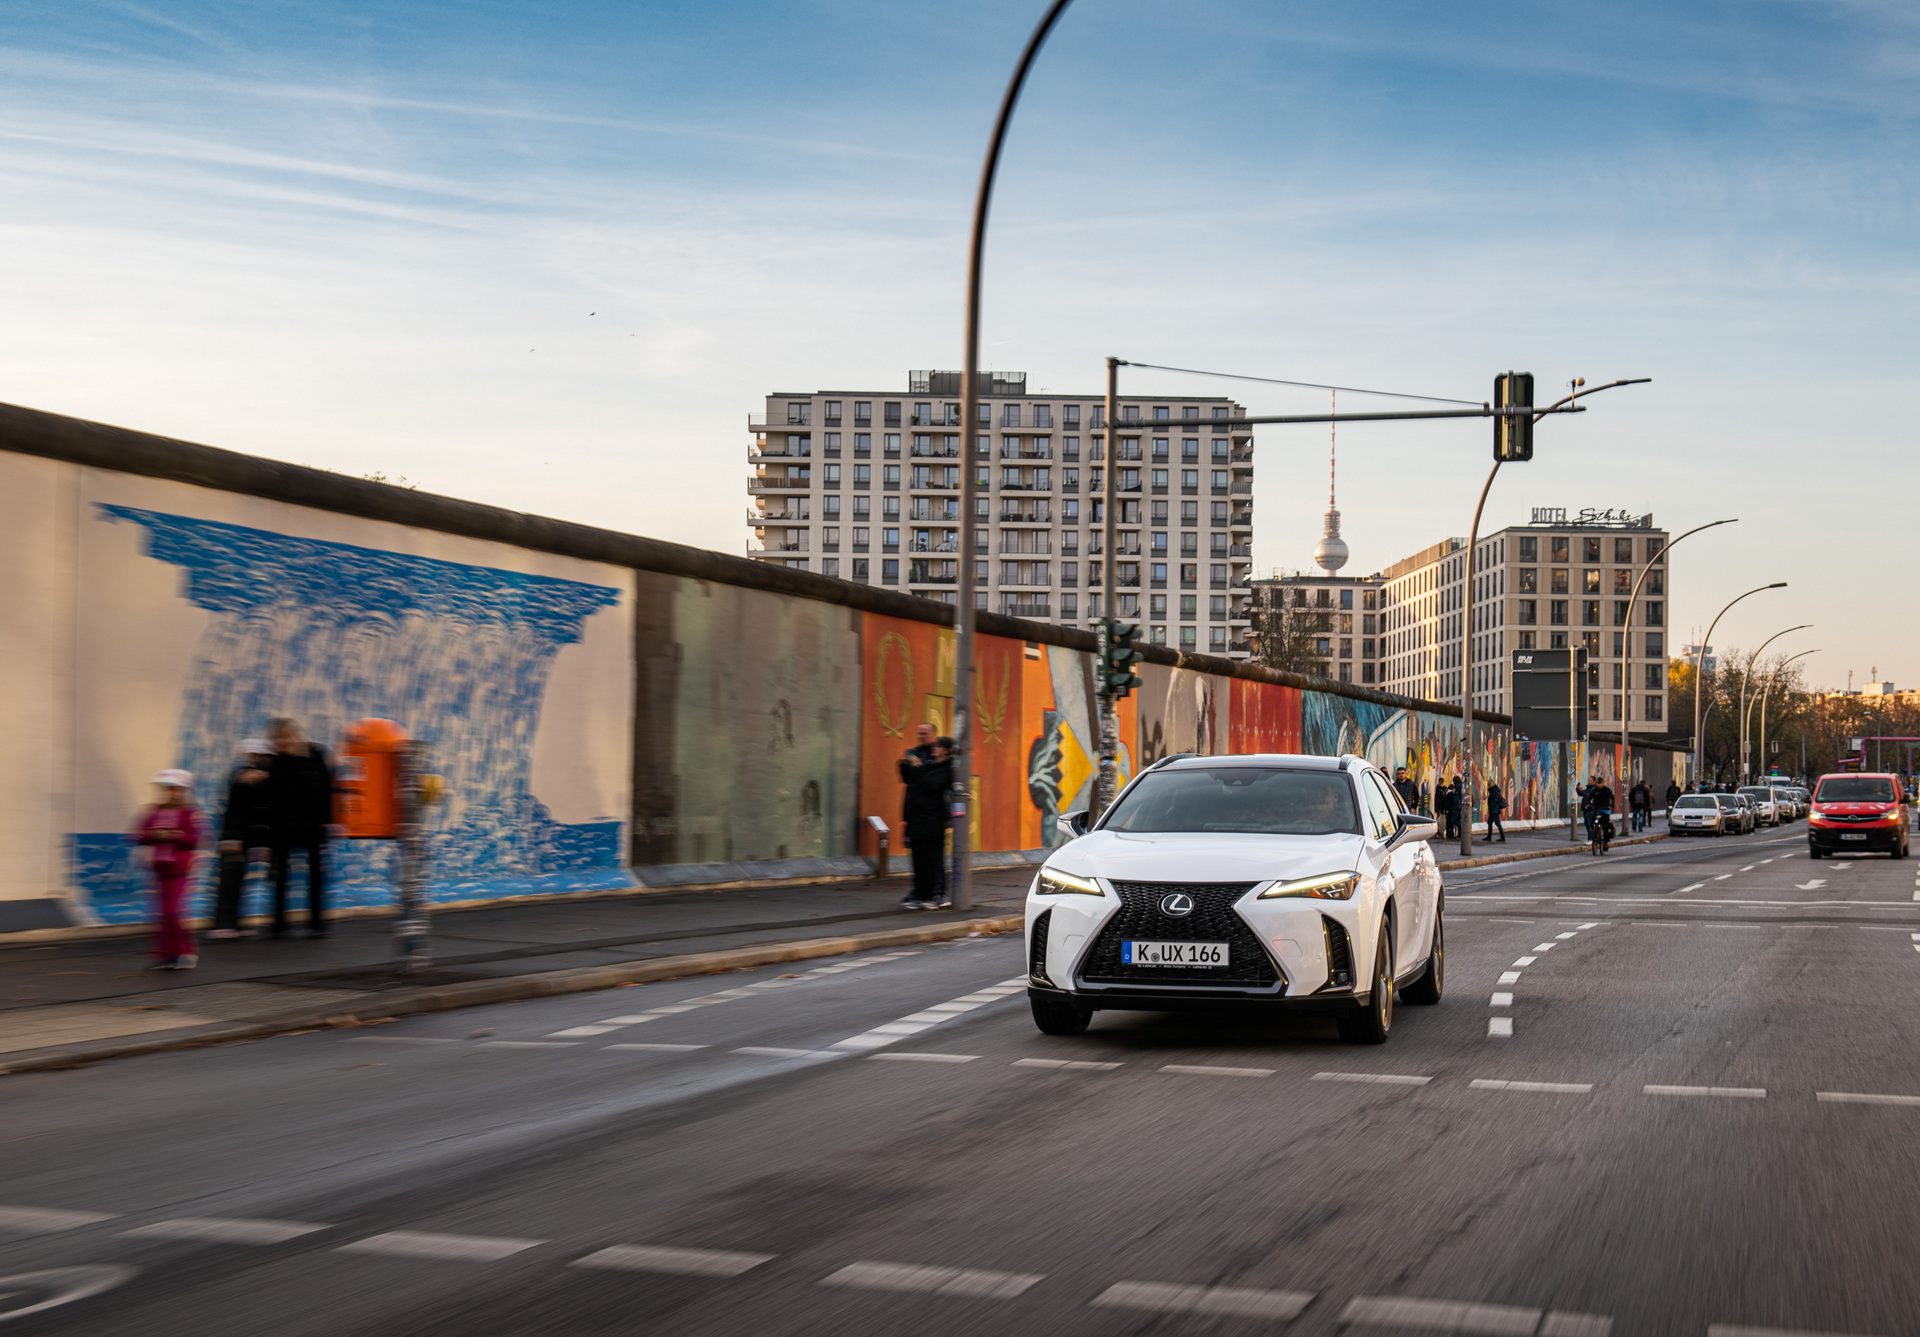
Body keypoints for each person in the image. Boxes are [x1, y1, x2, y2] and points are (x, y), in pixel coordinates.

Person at [262, 717, 339, 939]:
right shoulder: (276, 761)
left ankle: (316, 924)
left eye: (284, 736)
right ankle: (279, 925)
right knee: (280, 877)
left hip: (312, 824)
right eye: (277, 738)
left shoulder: (315, 755)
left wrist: (327, 820)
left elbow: (326, 788)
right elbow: (272, 797)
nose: (281, 741)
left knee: (314, 875)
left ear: (295, 736)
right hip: (283, 825)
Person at [131, 769, 207, 970]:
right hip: (159, 868)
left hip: (180, 868)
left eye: (177, 790)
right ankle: (166, 953)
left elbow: (197, 839)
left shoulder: (190, 813)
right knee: (162, 913)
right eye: (168, 789)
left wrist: (175, 835)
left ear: (184, 791)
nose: (172, 794)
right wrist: (155, 835)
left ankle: (186, 951)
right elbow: (137, 835)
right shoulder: (153, 810)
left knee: (174, 912)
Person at [211, 739, 273, 940]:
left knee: (239, 882)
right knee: (230, 880)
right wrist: (233, 837)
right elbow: (236, 810)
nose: (259, 759)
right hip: (235, 837)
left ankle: (234, 923)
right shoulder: (241, 777)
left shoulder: (254, 777)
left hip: (242, 837)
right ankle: (224, 923)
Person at [899, 736, 954, 910]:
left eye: (937, 746)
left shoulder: (946, 769)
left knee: (933, 859)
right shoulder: (929, 765)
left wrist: (918, 768)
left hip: (933, 820)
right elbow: (908, 778)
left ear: (946, 750)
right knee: (919, 859)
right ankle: (920, 894)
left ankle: (936, 894)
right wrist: (906, 762)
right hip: (916, 819)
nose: (933, 748)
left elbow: (930, 785)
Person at [1586, 775, 1616, 844]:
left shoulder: (1607, 790)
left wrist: (1612, 805)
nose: (1599, 785)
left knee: (1605, 825)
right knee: (1593, 820)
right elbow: (1589, 797)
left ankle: (1606, 842)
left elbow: (1612, 798)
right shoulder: (1594, 790)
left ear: (1603, 783)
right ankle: (1594, 832)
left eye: (1600, 783)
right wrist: (1587, 804)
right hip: (1596, 808)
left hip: (1605, 809)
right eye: (1598, 783)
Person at [1438, 776, 1459, 841]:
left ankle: (1449, 834)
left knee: (1448, 822)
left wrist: (1443, 809)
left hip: (1447, 810)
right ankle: (1450, 834)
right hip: (1450, 810)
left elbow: (1444, 802)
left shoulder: (1446, 793)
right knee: (1450, 822)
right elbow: (1450, 802)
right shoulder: (1451, 794)